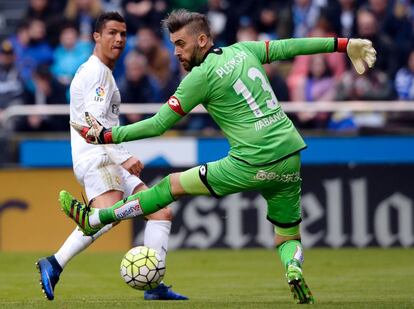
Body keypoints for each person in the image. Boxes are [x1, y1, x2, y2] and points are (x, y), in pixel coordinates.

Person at [63, 9, 376, 304]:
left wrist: (107, 136)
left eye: (181, 44)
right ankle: (293, 268)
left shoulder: (199, 79)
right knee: (287, 236)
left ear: (202, 40)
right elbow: (291, 47)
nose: (176, 52)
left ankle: (98, 218)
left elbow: (158, 124)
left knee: (169, 186)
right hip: (290, 154)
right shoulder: (245, 50)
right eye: (173, 45)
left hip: (250, 161)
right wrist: (343, 44)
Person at [36, 12, 187, 301]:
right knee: (107, 216)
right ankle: (54, 263)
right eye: (111, 33)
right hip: (97, 157)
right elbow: (94, 122)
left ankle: (153, 285)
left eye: (122, 34)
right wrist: (123, 156)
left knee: (161, 212)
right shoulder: (96, 74)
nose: (118, 39)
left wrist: (123, 154)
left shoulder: (102, 72)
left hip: (107, 155)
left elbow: (104, 122)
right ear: (96, 37)